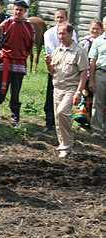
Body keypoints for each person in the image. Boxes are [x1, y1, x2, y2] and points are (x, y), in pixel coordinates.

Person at [46, 22, 89, 158]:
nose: (61, 36)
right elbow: (52, 72)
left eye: (64, 33)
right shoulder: (57, 50)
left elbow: (83, 72)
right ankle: (63, 144)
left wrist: (78, 92)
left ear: (71, 34)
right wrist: (47, 63)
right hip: (57, 87)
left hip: (71, 88)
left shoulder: (79, 51)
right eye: (59, 33)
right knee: (58, 118)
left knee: (63, 112)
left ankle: (67, 143)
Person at [0, 0, 36, 126]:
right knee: (0, 88)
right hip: (5, 60)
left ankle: (15, 116)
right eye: (16, 9)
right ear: (13, 9)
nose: (18, 12)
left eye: (21, 10)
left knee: (16, 90)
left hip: (20, 62)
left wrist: (23, 55)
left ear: (25, 11)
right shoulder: (6, 24)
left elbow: (30, 44)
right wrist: (2, 53)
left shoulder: (29, 26)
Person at [41, 9, 76, 132]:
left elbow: (73, 48)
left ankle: (62, 123)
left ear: (66, 18)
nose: (59, 20)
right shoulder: (49, 34)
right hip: (54, 66)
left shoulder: (72, 32)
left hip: (68, 68)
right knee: (51, 94)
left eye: (62, 17)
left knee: (65, 95)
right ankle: (49, 122)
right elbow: (51, 52)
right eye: (57, 18)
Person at [89, 24, 106, 139]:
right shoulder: (98, 41)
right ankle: (97, 130)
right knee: (98, 102)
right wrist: (91, 80)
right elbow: (92, 61)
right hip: (101, 73)